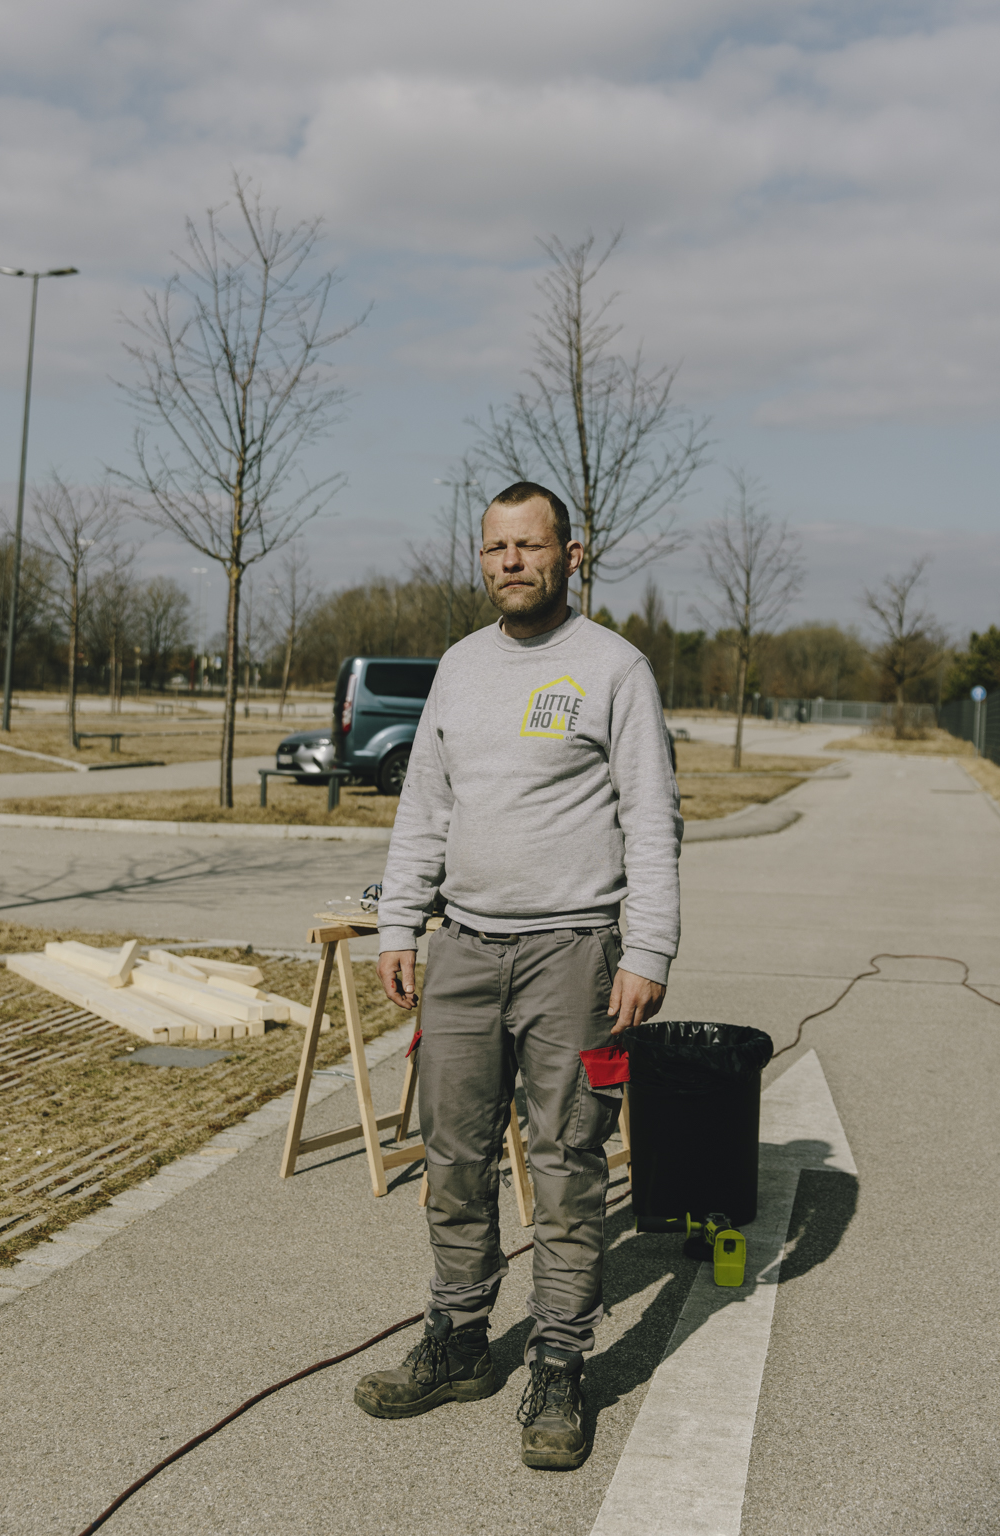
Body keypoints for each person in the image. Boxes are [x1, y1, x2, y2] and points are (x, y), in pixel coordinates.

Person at [354, 480, 682, 1470]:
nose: (509, 562)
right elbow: (425, 809)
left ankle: (557, 1362)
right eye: (495, 547)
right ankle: (458, 1338)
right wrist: (401, 923)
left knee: (567, 1162)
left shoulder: (614, 668)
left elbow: (652, 815)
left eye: (529, 546)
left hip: (572, 954)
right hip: (462, 947)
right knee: (453, 1156)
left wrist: (651, 947)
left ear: (569, 556)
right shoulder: (457, 669)